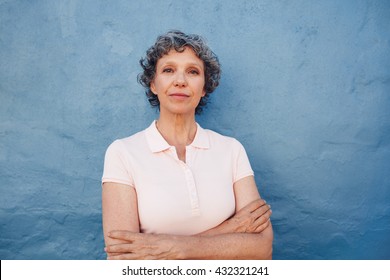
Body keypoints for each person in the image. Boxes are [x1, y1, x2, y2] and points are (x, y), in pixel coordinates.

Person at [102, 30, 273, 259]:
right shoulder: (123, 153)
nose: (180, 81)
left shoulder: (231, 150)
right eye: (168, 70)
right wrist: (229, 230)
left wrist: (175, 248)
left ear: (204, 87)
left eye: (192, 72)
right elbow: (123, 259)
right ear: (153, 83)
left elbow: (262, 249)